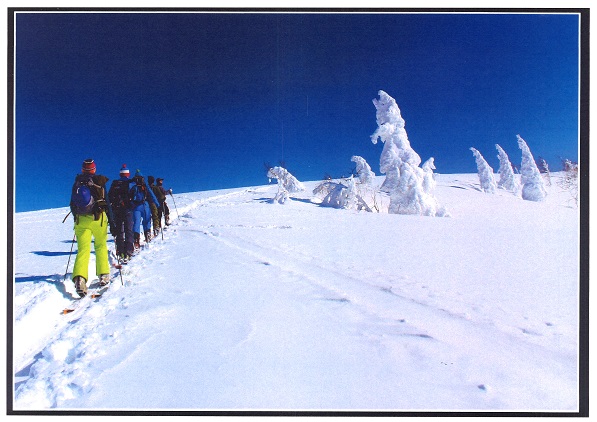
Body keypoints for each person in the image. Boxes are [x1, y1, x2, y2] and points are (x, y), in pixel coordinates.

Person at [70, 158, 111, 297]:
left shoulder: (77, 182)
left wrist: (77, 218)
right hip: (98, 219)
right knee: (100, 246)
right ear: (94, 169)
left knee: (83, 249)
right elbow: (108, 203)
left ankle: (80, 278)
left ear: (83, 169)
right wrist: (112, 222)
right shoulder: (100, 181)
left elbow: (72, 204)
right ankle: (103, 275)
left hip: (81, 220)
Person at [108, 164, 136, 263]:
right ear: (128, 173)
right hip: (128, 209)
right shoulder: (131, 183)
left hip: (117, 209)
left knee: (119, 230)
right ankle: (129, 251)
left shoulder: (115, 183)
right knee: (129, 230)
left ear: (120, 174)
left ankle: (120, 252)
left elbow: (109, 197)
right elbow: (135, 196)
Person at [130, 169, 159, 250]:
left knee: (136, 223)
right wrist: (157, 204)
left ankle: (136, 239)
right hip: (145, 205)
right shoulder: (145, 185)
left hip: (135, 206)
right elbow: (151, 194)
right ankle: (147, 235)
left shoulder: (132, 185)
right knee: (146, 221)